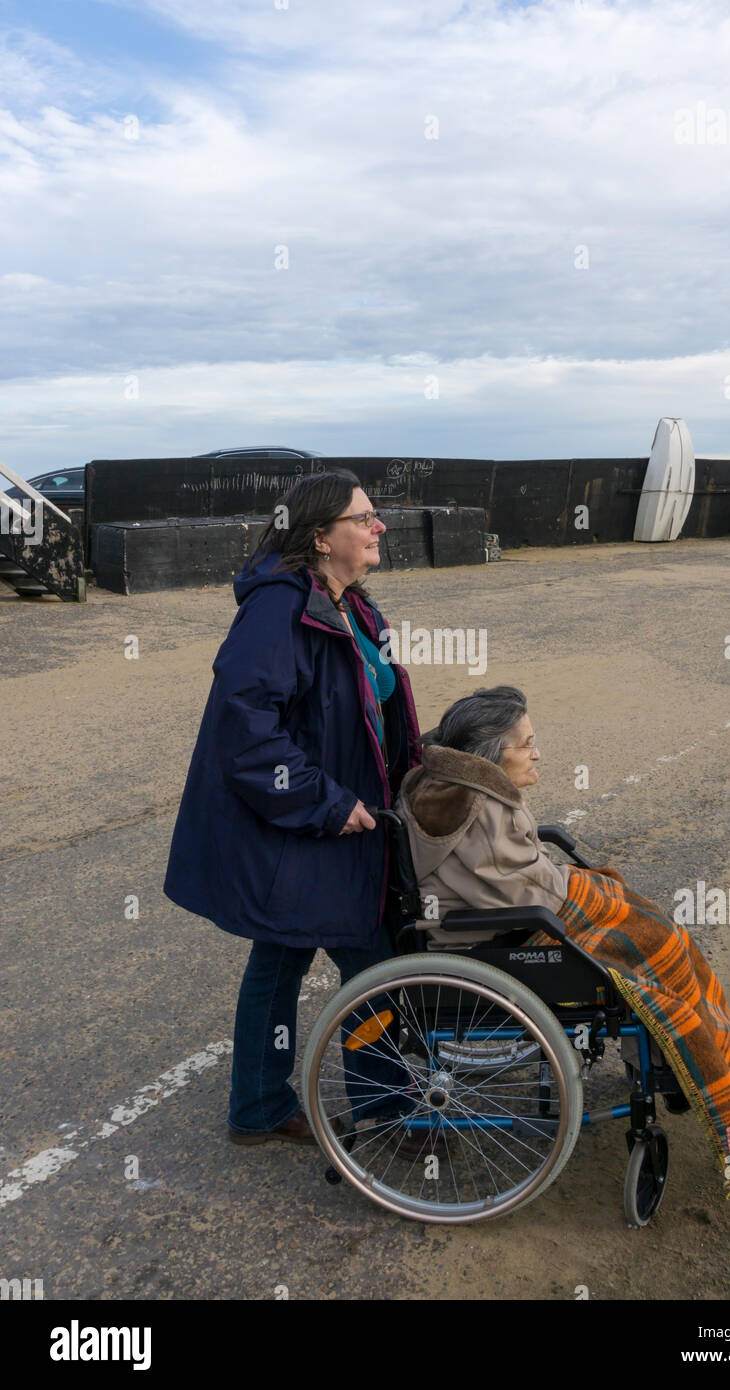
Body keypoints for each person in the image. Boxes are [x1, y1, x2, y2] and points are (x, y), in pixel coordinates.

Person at [395, 684, 730, 1187]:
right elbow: (526, 891)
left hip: (516, 922)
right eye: (526, 743)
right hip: (505, 941)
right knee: (656, 951)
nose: (537, 751)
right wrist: (584, 890)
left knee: (657, 929)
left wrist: (586, 887)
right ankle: (697, 1071)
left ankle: (716, 1059)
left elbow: (520, 877)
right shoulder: (474, 806)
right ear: (491, 753)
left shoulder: (465, 792)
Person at [163, 470, 422, 1145]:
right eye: (363, 518)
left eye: (375, 516)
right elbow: (245, 732)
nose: (379, 527)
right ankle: (387, 1112)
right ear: (319, 535)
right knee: (372, 961)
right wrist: (328, 802)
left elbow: (376, 701)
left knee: (280, 958)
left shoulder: (352, 605)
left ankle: (256, 1107)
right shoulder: (277, 610)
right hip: (306, 824)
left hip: (340, 817)